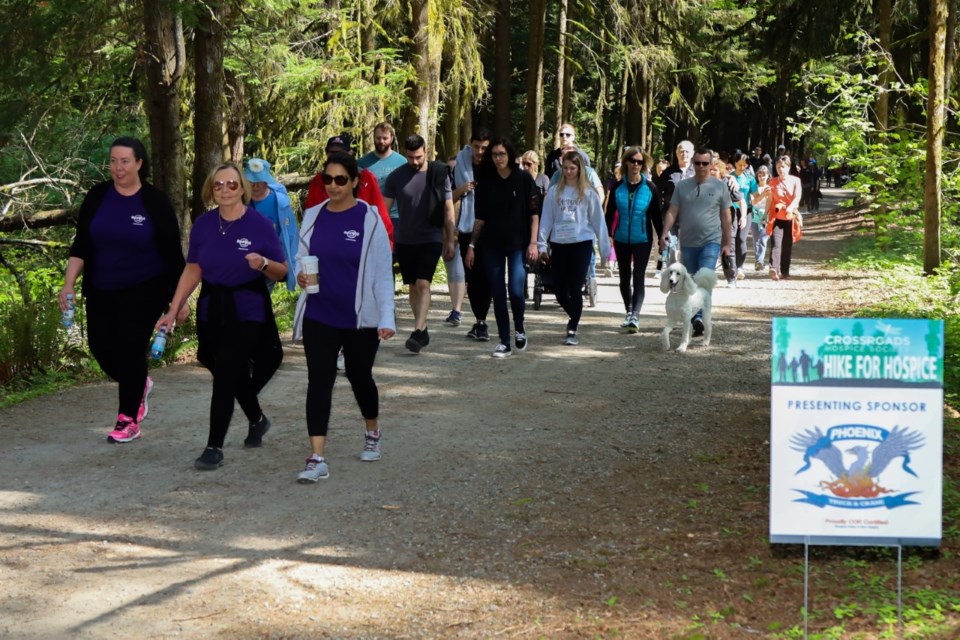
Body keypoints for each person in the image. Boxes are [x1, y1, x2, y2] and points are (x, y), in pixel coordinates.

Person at [157, 162, 287, 470]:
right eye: (219, 185)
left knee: (228, 371)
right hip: (213, 305)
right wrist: (173, 309)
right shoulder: (203, 225)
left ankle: (213, 446)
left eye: (232, 184)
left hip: (249, 305)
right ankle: (256, 418)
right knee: (218, 364)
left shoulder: (259, 225)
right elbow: (194, 268)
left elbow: (281, 271)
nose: (225, 190)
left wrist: (263, 263)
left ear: (242, 188)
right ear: (210, 191)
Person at [59, 136, 186, 443]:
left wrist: (178, 302)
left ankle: (127, 419)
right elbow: (82, 245)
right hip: (101, 286)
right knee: (101, 347)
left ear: (139, 164)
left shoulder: (155, 202)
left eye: (125, 161)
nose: (118, 167)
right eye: (114, 161)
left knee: (130, 347)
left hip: (146, 286)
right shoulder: (98, 196)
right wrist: (68, 284)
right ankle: (139, 383)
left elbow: (173, 256)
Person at [291, 152, 395, 482]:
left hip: (359, 316)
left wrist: (386, 318)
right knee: (319, 380)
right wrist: (300, 276)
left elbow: (382, 274)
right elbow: (301, 258)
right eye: (327, 179)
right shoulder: (312, 216)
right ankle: (317, 457)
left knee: (358, 374)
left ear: (354, 182)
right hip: (319, 312)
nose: (333, 186)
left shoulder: (370, 218)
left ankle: (373, 431)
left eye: (340, 180)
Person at [465, 138, 540, 357]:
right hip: (492, 245)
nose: (498, 158)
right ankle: (504, 341)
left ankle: (519, 328)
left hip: (519, 245)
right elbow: (480, 218)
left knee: (516, 291)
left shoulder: (524, 179)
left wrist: (534, 243)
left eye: (502, 154)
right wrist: (471, 245)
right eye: (494, 154)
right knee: (497, 292)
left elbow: (534, 214)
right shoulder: (486, 181)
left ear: (510, 155)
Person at [382, 134, 457, 353]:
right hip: (404, 240)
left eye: (418, 157)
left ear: (426, 151)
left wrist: (450, 239)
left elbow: (449, 208)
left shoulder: (439, 173)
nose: (414, 162)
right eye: (410, 157)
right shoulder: (396, 177)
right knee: (413, 286)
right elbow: (384, 212)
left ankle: (416, 331)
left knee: (423, 283)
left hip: (430, 238)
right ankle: (422, 329)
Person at [658, 148, 732, 337]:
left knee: (704, 278)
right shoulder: (682, 186)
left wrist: (727, 244)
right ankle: (692, 316)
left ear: (711, 165)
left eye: (705, 163)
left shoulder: (719, 187)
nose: (701, 167)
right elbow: (673, 211)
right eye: (697, 163)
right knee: (689, 281)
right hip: (688, 242)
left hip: (711, 241)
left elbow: (726, 217)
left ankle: (700, 318)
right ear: (693, 164)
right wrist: (664, 232)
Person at [537, 151, 610, 345]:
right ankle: (574, 314)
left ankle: (573, 326)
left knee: (575, 287)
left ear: (580, 169)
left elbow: (598, 223)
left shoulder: (588, 192)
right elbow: (546, 220)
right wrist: (542, 244)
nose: (568, 172)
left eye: (572, 168)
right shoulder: (554, 192)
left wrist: (605, 251)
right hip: (559, 244)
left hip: (581, 244)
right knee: (560, 289)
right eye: (566, 168)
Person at [605, 146, 662, 333]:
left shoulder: (650, 188)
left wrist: (661, 238)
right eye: (633, 161)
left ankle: (635, 315)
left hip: (642, 239)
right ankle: (628, 311)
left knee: (638, 276)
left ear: (643, 165)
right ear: (627, 163)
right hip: (621, 239)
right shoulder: (617, 187)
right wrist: (608, 235)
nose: (636, 165)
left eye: (640, 162)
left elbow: (656, 216)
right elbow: (610, 213)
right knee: (624, 278)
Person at [305, 134, 393, 247]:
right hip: (329, 242)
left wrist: (387, 244)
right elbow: (311, 214)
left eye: (340, 152)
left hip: (361, 242)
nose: (335, 156)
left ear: (350, 153)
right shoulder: (319, 180)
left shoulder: (366, 178)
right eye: (331, 153)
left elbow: (380, 214)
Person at [452, 129, 492, 341]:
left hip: (489, 228)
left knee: (486, 276)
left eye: (484, 148)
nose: (479, 152)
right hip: (468, 225)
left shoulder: (495, 162)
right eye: (476, 147)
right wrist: (463, 189)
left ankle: (484, 321)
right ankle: (480, 321)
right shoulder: (462, 160)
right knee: (472, 277)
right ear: (470, 144)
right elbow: (452, 197)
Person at [244, 158, 299, 291]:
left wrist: (292, 262)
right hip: (247, 259)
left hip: (271, 260)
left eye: (259, 182)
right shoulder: (241, 201)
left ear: (266, 181)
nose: (255, 186)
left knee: (261, 296)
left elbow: (291, 234)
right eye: (251, 182)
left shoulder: (280, 202)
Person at [653, 140, 695, 276]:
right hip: (670, 214)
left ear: (692, 153)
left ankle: (684, 273)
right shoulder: (669, 172)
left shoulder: (697, 171)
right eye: (681, 151)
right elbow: (658, 192)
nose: (684, 154)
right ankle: (671, 272)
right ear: (677, 154)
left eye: (687, 151)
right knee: (670, 245)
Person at [357, 122, 407, 225]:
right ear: (373, 138)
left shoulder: (402, 162)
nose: (381, 141)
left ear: (392, 138)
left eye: (385, 138)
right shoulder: (362, 163)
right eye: (378, 138)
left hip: (395, 217)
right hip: (369, 215)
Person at [762, 155, 802, 281]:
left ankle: (785, 272)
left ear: (789, 167)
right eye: (778, 167)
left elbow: (797, 197)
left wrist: (790, 208)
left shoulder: (796, 180)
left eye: (783, 167)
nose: (780, 169)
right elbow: (770, 200)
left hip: (790, 217)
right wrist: (765, 215)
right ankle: (773, 269)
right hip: (776, 217)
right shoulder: (773, 181)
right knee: (776, 243)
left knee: (787, 245)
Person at [442, 155, 466, 326]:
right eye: (449, 170)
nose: (451, 173)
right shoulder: (442, 187)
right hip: (445, 233)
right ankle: (454, 307)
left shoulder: (469, 187)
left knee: (459, 271)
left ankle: (457, 309)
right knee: (452, 271)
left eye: (455, 170)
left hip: (464, 232)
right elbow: (447, 202)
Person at [730, 153, 756, 281]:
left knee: (741, 238)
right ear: (735, 163)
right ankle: (732, 266)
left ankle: (740, 267)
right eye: (740, 164)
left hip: (746, 212)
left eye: (745, 165)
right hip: (731, 211)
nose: (742, 167)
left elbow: (756, 195)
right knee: (732, 239)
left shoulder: (750, 178)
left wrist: (760, 197)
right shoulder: (729, 177)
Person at [749, 165, 772, 271]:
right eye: (760, 175)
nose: (761, 177)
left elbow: (769, 202)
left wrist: (765, 215)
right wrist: (763, 194)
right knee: (756, 239)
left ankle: (759, 261)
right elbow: (753, 201)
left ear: (768, 176)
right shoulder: (754, 187)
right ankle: (758, 260)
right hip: (754, 215)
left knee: (763, 239)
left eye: (764, 175)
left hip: (765, 215)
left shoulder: (770, 188)